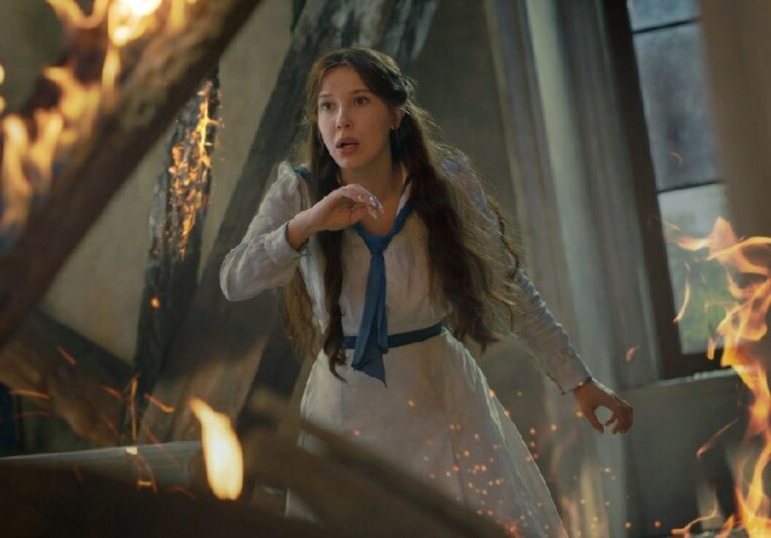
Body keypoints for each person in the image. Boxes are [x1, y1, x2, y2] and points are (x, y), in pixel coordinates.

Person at [219, 48, 633, 536]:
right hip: (346, 405)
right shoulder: (300, 190)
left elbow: (509, 284)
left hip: (439, 392)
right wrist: (308, 223)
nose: (341, 120)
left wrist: (578, 381)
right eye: (328, 106)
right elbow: (235, 280)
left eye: (360, 101)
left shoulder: (445, 183)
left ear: (395, 115)